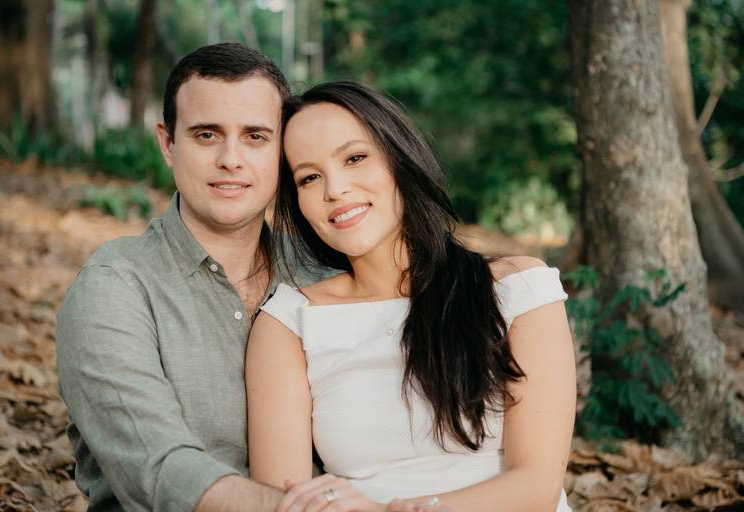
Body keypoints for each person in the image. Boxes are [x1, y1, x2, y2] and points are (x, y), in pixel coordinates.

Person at [246, 82, 577, 511]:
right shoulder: (289, 322)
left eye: (354, 158)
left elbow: (537, 486)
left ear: (399, 157)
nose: (335, 189)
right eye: (309, 177)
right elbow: (283, 499)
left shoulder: (517, 289)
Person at [56, 42, 323, 512]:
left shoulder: (321, 272)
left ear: (281, 148)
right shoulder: (114, 288)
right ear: (168, 143)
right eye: (206, 135)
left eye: (255, 136)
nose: (231, 159)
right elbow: (162, 473)